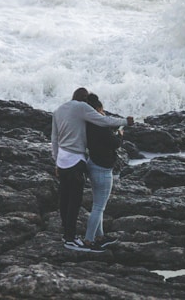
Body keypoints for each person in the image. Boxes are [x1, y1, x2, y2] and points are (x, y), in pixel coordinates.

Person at [51, 87, 134, 252]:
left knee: (64, 201)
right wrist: (125, 122)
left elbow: (54, 138)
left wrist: (56, 161)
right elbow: (103, 121)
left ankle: (69, 235)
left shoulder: (58, 110)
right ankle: (71, 239)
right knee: (74, 203)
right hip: (75, 160)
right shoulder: (81, 107)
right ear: (83, 100)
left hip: (62, 160)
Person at [84, 93, 123, 251]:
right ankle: (88, 240)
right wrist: (120, 135)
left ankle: (100, 237)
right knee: (99, 207)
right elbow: (114, 143)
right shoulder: (101, 125)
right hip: (103, 169)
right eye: (102, 110)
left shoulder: (87, 123)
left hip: (92, 164)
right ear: (98, 109)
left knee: (97, 205)